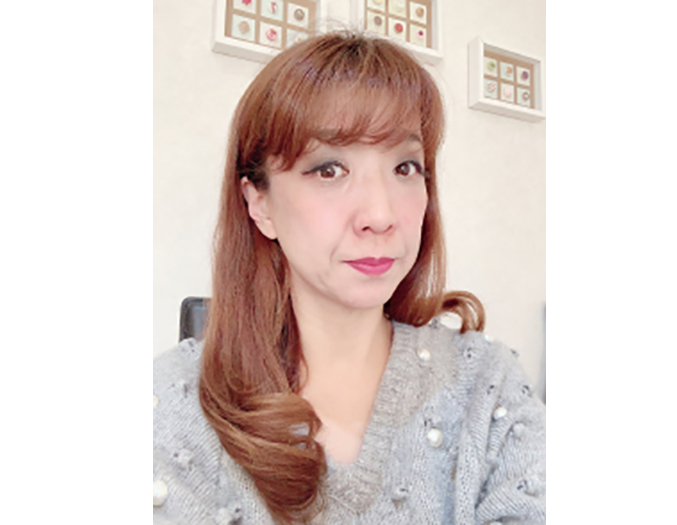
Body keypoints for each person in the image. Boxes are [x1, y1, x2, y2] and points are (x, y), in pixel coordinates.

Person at [153, 31, 545, 524]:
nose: (381, 215)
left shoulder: (488, 387)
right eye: (329, 169)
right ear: (259, 203)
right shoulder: (174, 405)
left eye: (406, 167)